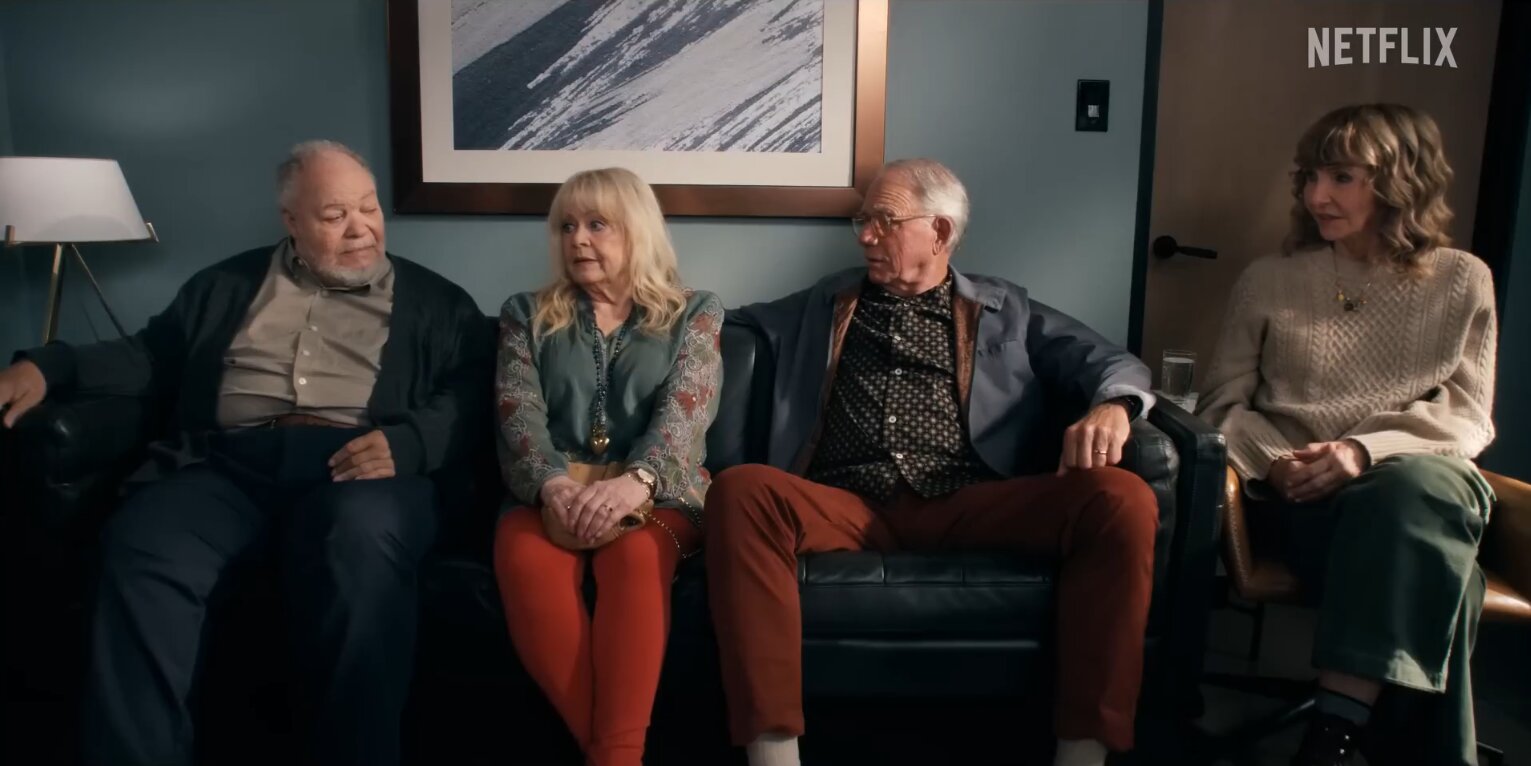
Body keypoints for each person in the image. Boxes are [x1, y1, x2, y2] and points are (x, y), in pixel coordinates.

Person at [0, 140, 491, 766]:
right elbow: (150, 356)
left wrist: (412, 442)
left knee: (360, 541)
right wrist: (50, 367)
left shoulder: (438, 303)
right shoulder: (225, 285)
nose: (360, 227)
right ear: (291, 221)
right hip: (228, 462)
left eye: (368, 207)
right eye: (334, 214)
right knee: (141, 545)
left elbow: (475, 388)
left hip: (360, 467)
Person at [704, 158, 1159, 766]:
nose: (865, 236)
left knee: (1122, 499)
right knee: (741, 489)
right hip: (846, 503)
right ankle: (774, 754)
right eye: (863, 221)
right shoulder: (827, 300)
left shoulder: (1006, 308)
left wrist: (1115, 407)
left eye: (883, 221)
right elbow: (720, 319)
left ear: (939, 232)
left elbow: (1112, 361)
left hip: (970, 501)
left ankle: (1083, 754)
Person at [1199, 104, 1497, 766]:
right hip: (1308, 503)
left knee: (1412, 491)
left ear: (1400, 180)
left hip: (1419, 486)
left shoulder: (1462, 279)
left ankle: (1332, 733)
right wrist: (1275, 463)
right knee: (1447, 575)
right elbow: (1221, 406)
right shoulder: (1269, 280)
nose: (1316, 196)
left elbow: (1467, 416)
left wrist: (1364, 451)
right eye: (1309, 176)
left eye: (1340, 177)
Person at [492, 167, 723, 766]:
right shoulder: (525, 313)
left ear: (637, 229)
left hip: (661, 494)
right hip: (550, 491)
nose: (578, 239)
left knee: (637, 557)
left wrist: (635, 482)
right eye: (566, 226)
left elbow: (685, 415)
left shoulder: (695, 312)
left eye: (597, 224)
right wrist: (552, 485)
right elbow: (517, 414)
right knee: (525, 558)